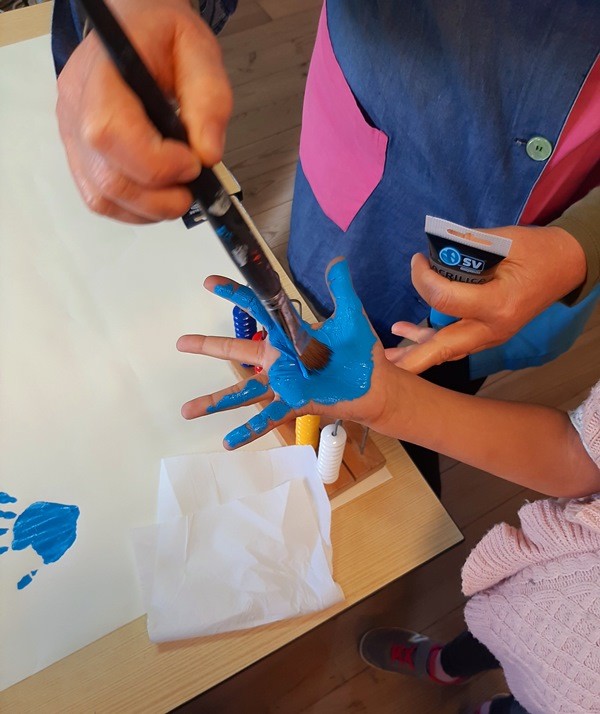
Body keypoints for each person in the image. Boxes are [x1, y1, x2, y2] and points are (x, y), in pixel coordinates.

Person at [50, 0, 600, 493]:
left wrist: (581, 242)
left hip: (550, 223)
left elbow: (570, 456)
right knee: (329, 308)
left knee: (447, 368)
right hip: (373, 172)